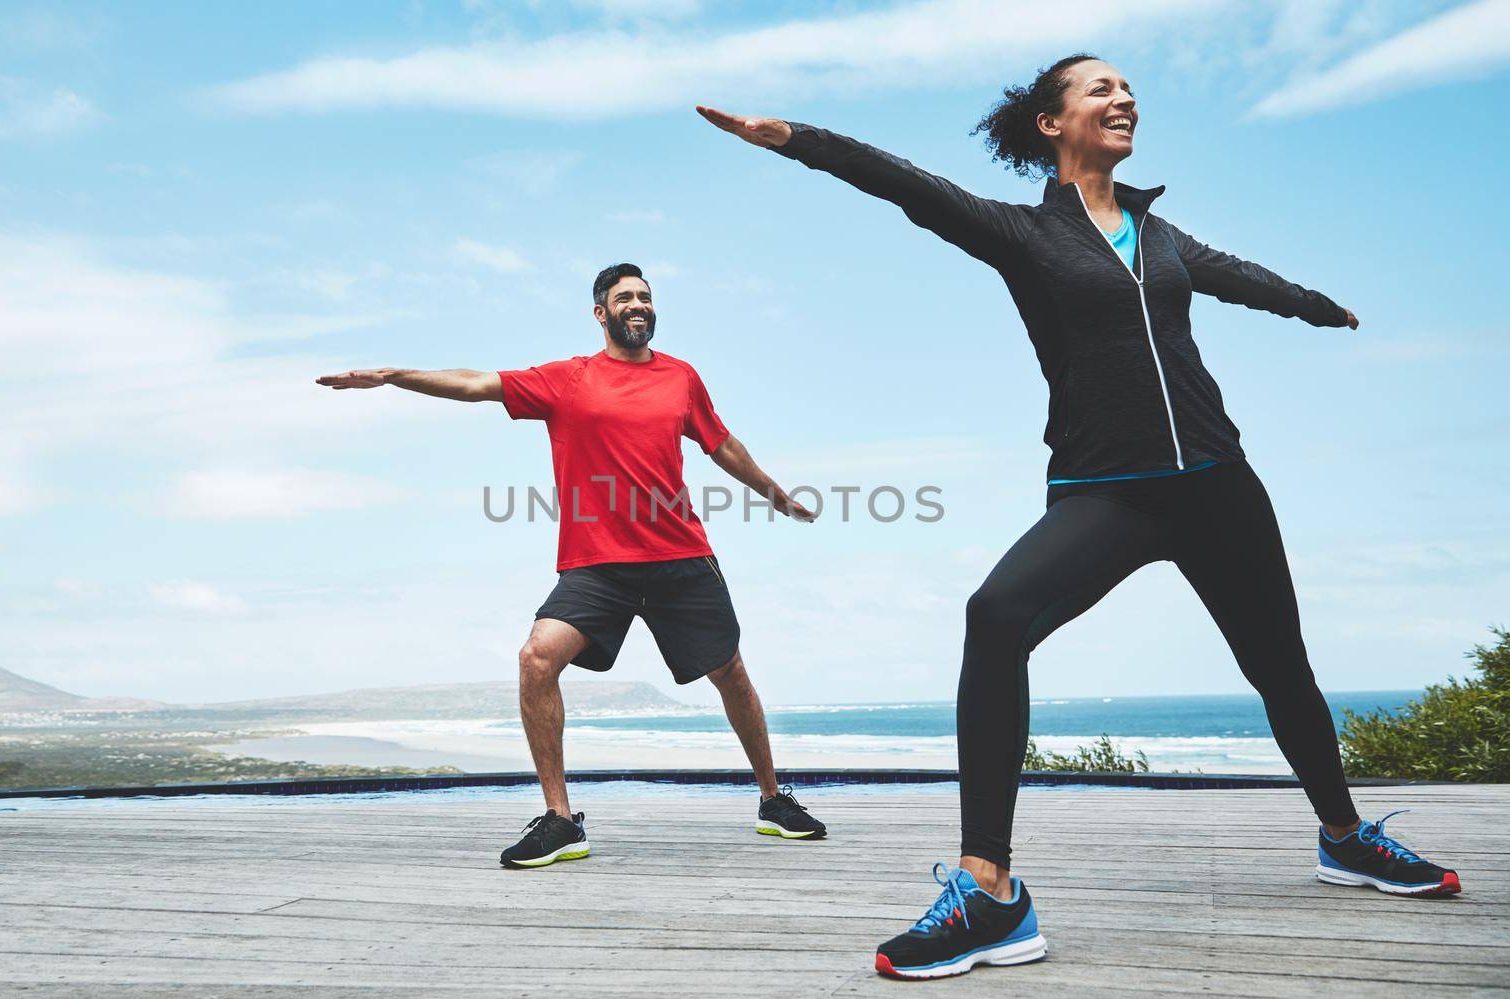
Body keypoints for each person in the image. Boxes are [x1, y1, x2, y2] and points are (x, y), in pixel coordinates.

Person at [698, 54, 1460, 980]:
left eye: (1127, 89)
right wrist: (796, 140)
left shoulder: (1159, 232)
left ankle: (1345, 837)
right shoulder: (1023, 234)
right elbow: (908, 187)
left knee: (1280, 668)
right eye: (1100, 89)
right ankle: (990, 890)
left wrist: (1314, 308)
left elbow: (1237, 276)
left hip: (1220, 482)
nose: (1123, 98)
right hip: (1109, 491)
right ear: (1052, 124)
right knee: (996, 615)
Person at [316, 262, 827, 868]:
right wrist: (397, 376)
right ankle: (561, 821)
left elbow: (721, 443)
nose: (637, 305)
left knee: (731, 673)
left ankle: (773, 799)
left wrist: (775, 495)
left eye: (645, 297)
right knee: (537, 658)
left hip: (680, 557)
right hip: (598, 566)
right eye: (624, 298)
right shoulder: (569, 379)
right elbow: (477, 384)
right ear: (601, 313)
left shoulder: (682, 378)